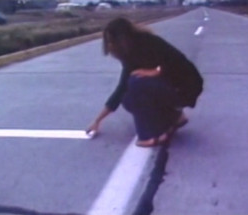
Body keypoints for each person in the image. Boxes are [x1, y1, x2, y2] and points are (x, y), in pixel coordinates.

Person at [87, 18, 203, 147]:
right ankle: (175, 116)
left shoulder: (148, 42)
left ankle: (150, 137)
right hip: (175, 88)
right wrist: (97, 121)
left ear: (121, 39)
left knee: (136, 82)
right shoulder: (131, 52)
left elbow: (179, 63)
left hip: (187, 88)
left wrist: (157, 71)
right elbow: (121, 88)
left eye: (111, 41)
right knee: (127, 98)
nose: (109, 45)